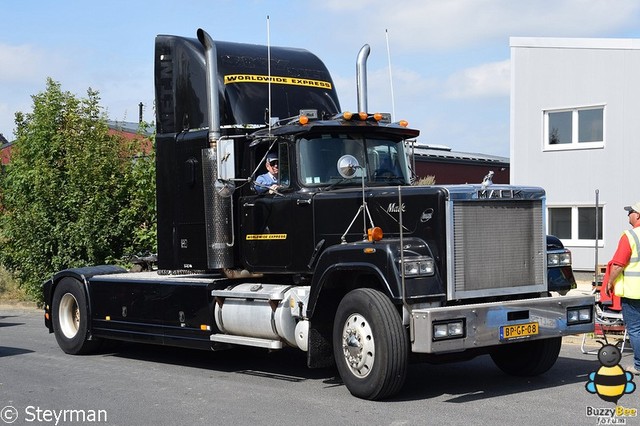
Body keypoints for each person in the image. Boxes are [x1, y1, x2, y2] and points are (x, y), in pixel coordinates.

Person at [605, 201, 640, 375]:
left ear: (638, 215)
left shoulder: (630, 236)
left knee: (635, 329)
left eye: (630, 212)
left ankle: (639, 365)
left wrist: (610, 282)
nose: (628, 215)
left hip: (634, 293)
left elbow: (618, 265)